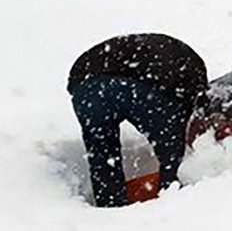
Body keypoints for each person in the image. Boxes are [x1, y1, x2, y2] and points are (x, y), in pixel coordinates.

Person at [67, 33, 207, 207]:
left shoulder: (173, 57)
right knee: (171, 151)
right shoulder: (192, 85)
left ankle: (110, 207)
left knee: (102, 154)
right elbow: (177, 125)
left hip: (84, 84)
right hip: (141, 84)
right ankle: (171, 204)